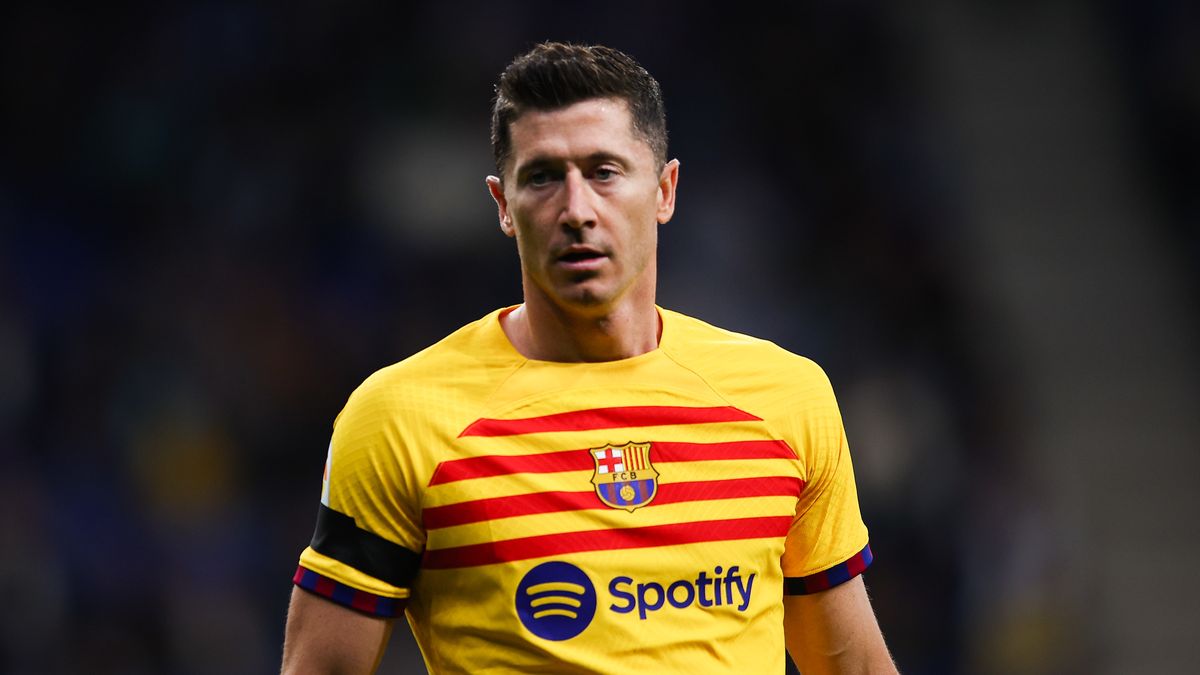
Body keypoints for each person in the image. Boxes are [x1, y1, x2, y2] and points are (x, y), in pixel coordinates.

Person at [281, 42, 896, 674]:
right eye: (544, 176)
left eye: (604, 172)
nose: (576, 211)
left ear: (664, 191)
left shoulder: (786, 399)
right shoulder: (400, 419)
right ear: (503, 206)